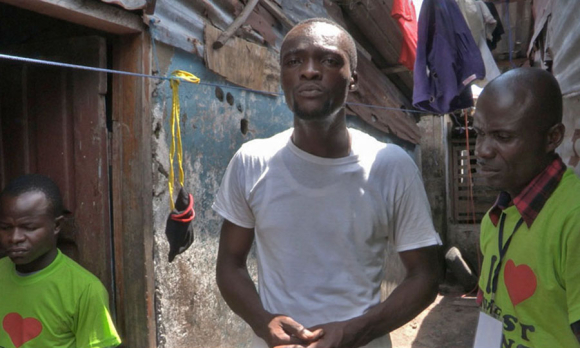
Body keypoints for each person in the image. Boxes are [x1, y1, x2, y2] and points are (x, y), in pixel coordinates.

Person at [213, 18, 441, 348]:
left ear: (354, 81)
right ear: (282, 78)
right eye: (293, 61)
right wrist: (265, 324)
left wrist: (355, 332)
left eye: (330, 60)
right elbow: (230, 265)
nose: (308, 71)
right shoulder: (252, 162)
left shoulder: (390, 166)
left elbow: (425, 276)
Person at [474, 67, 580, 347]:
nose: (482, 150)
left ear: (552, 137)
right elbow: (492, 316)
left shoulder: (573, 220)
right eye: (479, 133)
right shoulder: (494, 218)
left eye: (503, 137)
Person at [0, 174, 121, 348]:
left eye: (28, 227)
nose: (14, 238)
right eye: (5, 228)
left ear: (56, 226)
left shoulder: (85, 290)